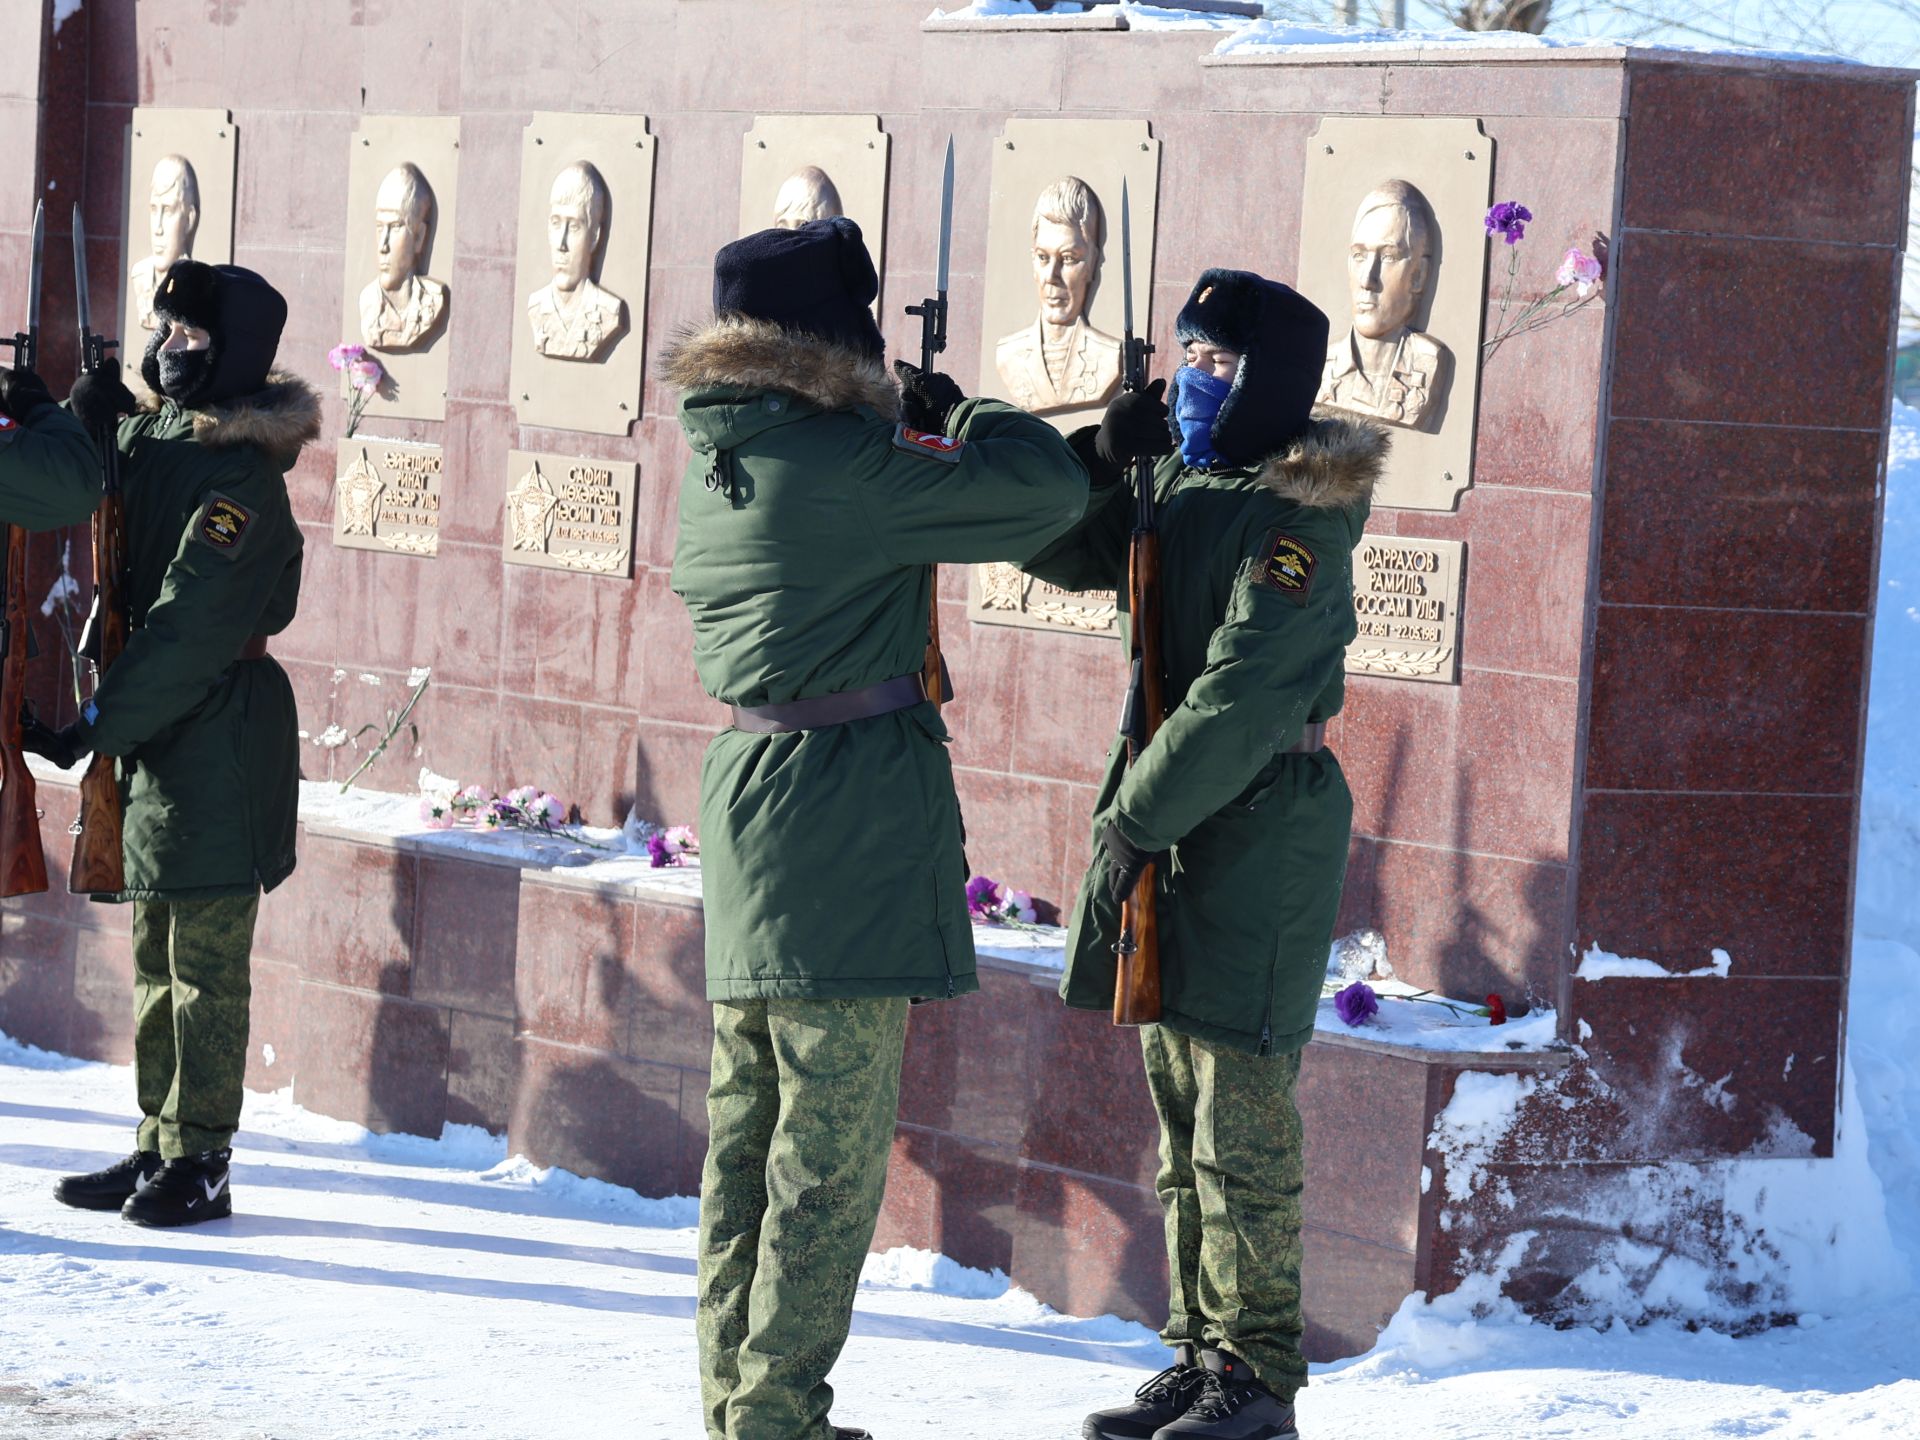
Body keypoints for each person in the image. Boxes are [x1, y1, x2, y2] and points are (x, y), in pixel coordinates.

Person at [665, 215, 1087, 1440]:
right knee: (828, 1159)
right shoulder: (843, 465)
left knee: (746, 1140)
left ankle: (738, 1405)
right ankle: (778, 1416)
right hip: (839, 820)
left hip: (758, 806)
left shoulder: (724, 454)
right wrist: (963, 419)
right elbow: (1043, 493)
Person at [1020, 269, 1387, 1440]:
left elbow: (1236, 700)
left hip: (1255, 824)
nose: (1193, 377)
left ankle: (1260, 1378)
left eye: (1218, 360)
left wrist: (1131, 822)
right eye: (1183, 354)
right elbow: (1050, 543)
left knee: (1242, 1115)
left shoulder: (1299, 522)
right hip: (1174, 814)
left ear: (1270, 377)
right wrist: (1093, 450)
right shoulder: (1179, 478)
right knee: (1180, 1106)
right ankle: (1201, 1348)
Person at [0, 259, 318, 1228]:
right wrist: (67, 412)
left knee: (203, 969)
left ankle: (204, 1158)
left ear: (235, 358)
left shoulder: (241, 480)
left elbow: (187, 630)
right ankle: (158, 1141)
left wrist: (99, 721)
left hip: (215, 737)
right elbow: (94, 487)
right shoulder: (159, 437)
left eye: (190, 339)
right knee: (153, 953)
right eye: (163, 332)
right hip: (153, 739)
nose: (167, 350)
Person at [1317, 180, 1451, 432]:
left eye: (1389, 257)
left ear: (1419, 276)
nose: (1367, 279)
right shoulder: (1321, 361)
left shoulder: (1428, 362)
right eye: (1359, 255)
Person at [995, 175, 1122, 415]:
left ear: (1093, 263)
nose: (1052, 276)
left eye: (1068, 259)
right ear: (1033, 261)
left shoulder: (1110, 356)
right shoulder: (1007, 353)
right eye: (1043, 257)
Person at [526, 160, 626, 361]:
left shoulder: (609, 311)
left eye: (573, 227)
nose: (561, 244)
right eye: (556, 223)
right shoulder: (536, 306)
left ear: (595, 237)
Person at [359, 162, 447, 350]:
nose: (383, 245)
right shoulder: (368, 302)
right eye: (380, 227)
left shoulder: (433, 300)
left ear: (419, 237)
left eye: (395, 227)